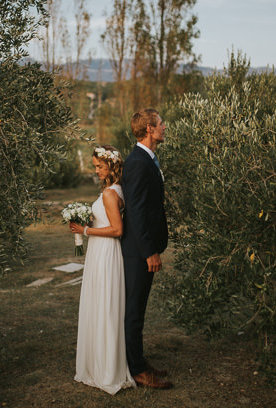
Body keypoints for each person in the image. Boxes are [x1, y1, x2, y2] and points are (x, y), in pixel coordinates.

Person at [70, 145, 135, 395]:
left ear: (111, 166)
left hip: (106, 253)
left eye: (99, 166)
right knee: (104, 306)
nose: (95, 170)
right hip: (103, 253)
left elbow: (117, 230)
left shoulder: (110, 193)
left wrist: (84, 231)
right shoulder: (116, 189)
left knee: (105, 307)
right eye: (95, 165)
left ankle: (107, 370)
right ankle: (104, 363)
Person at [121, 108, 173, 389]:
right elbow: (138, 212)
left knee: (138, 308)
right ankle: (138, 370)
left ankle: (137, 359)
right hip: (138, 250)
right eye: (161, 124)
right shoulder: (138, 162)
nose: (165, 127)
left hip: (144, 247)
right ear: (149, 130)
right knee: (134, 310)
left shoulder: (147, 158)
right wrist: (149, 251)